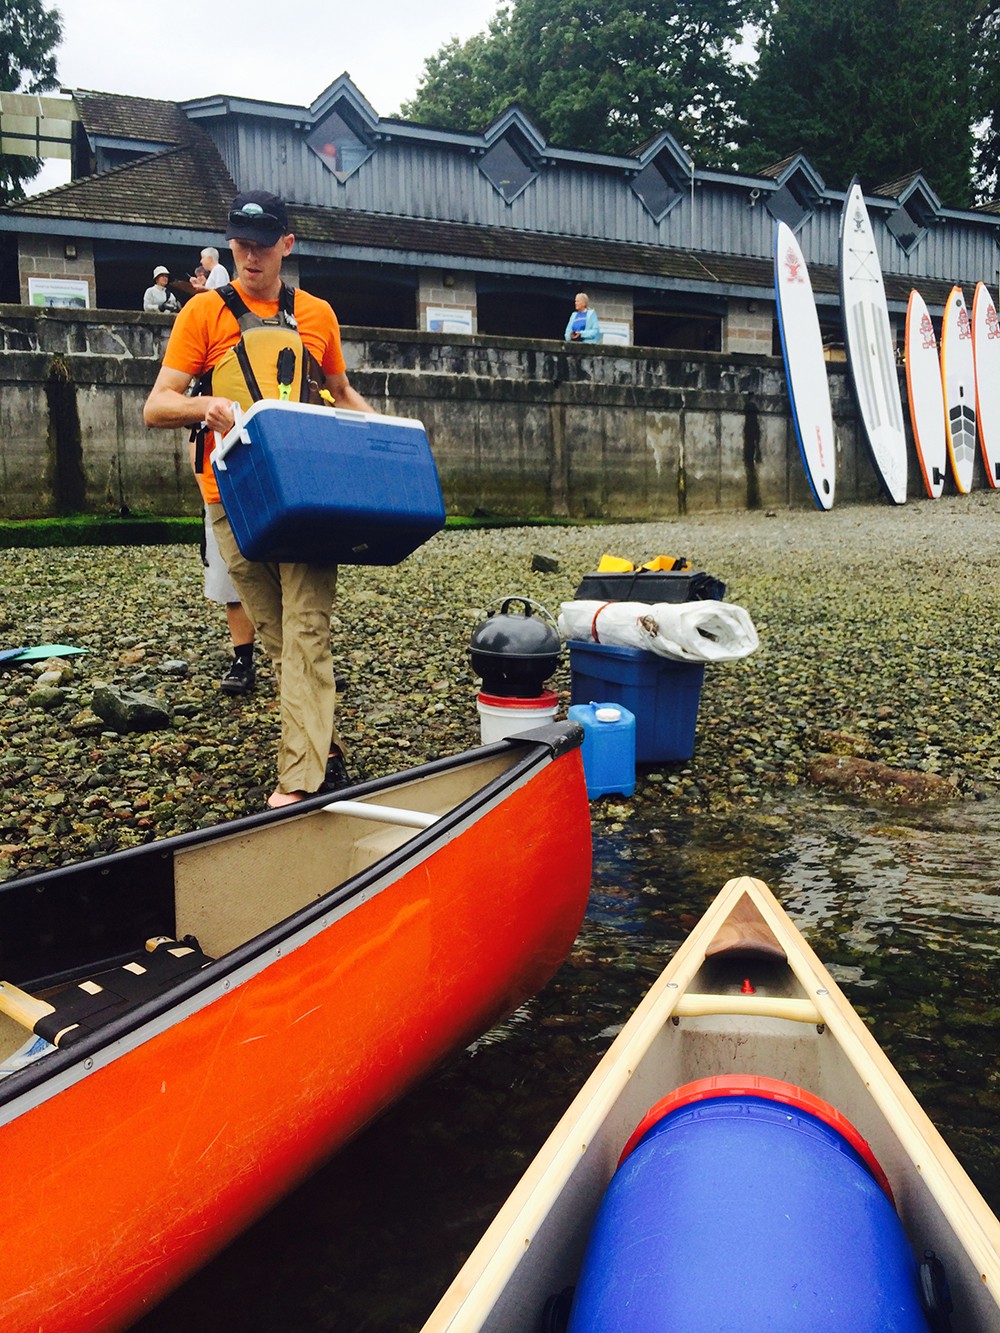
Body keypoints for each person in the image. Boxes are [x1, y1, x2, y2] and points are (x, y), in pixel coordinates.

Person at [143, 190, 375, 809]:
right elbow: (156, 405)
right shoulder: (201, 314)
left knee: (307, 627)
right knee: (275, 635)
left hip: (308, 494)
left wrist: (386, 440)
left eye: (262, 244)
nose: (249, 255)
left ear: (286, 246)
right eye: (240, 244)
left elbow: (341, 391)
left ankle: (299, 782)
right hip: (231, 495)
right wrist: (204, 406)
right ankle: (325, 749)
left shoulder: (317, 314)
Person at [202, 505, 257, 695]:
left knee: (295, 575)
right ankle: (243, 659)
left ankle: (311, 656)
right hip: (222, 490)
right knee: (233, 578)